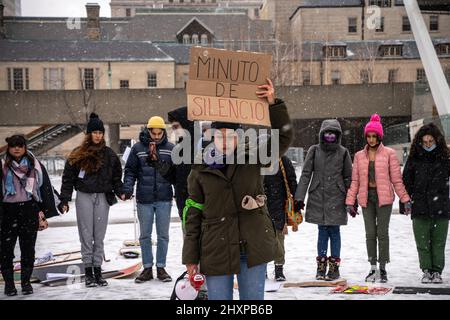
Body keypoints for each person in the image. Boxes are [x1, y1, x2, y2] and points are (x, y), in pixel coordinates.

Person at [182, 79, 293, 300]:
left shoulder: (253, 157)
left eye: (230, 135)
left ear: (238, 137)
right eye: (219, 135)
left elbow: (284, 136)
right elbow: (193, 215)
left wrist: (273, 104)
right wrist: (191, 257)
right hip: (216, 249)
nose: (224, 140)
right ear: (212, 137)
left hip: (252, 246)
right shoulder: (199, 170)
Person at [59, 113, 123, 287]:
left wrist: (121, 191)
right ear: (89, 134)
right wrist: (64, 199)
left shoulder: (109, 155)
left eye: (100, 132)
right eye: (94, 132)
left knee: (99, 236)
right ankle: (88, 271)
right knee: (86, 235)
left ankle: (97, 270)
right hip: (84, 196)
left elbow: (117, 177)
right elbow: (68, 178)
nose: (98, 135)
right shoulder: (78, 154)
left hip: (102, 196)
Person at [346, 114, 411, 283]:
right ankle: (372, 267)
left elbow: (396, 179)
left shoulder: (389, 154)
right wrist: (349, 201)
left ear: (380, 136)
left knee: (382, 233)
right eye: (369, 136)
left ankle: (383, 268)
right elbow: (355, 181)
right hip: (366, 198)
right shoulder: (359, 156)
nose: (372, 139)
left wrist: (404, 198)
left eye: (374, 136)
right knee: (370, 233)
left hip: (384, 199)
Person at [1, 134, 59, 296]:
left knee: (28, 249)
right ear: (9, 148)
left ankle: (26, 283)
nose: (17, 148)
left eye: (20, 145)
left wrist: (52, 205)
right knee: (6, 250)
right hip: (8, 211)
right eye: (13, 146)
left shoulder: (34, 164)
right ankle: (9, 285)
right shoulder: (2, 165)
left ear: (25, 147)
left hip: (28, 209)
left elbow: (44, 186)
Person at [295, 119, 352, 281]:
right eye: (327, 133)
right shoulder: (314, 150)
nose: (330, 136)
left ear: (338, 135)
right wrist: (299, 197)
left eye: (333, 133)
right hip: (318, 196)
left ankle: (334, 267)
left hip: (337, 197)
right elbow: (306, 174)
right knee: (322, 232)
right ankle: (321, 266)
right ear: (322, 134)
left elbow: (349, 177)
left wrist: (351, 199)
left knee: (334, 231)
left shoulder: (343, 152)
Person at [121, 116, 174, 283]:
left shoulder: (170, 149)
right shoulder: (138, 148)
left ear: (163, 132)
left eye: (159, 133)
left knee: (163, 235)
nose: (157, 136)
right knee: (145, 235)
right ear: (148, 131)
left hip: (164, 198)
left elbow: (176, 174)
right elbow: (130, 171)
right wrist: (127, 188)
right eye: (154, 133)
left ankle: (161, 267)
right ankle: (147, 268)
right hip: (144, 199)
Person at [402, 123, 450, 284]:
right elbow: (406, 182)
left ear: (437, 141)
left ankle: (437, 271)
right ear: (420, 142)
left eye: (431, 141)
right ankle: (426, 270)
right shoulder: (414, 159)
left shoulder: (445, 158)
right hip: (420, 207)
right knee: (422, 243)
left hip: (441, 208)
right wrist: (405, 202)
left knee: (438, 243)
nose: (428, 144)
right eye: (425, 141)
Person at [151, 106, 196, 222]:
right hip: (183, 205)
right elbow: (175, 177)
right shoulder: (179, 149)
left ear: (186, 124)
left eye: (176, 127)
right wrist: (158, 163)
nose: (174, 131)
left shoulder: (200, 146)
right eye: (173, 127)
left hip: (198, 205)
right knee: (188, 238)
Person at [263, 155, 297, 281]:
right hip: (258, 203)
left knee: (278, 237)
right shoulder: (254, 159)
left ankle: (279, 268)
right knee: (260, 238)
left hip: (279, 202)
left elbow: (291, 179)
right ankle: (262, 268)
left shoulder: (282, 159)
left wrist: (296, 198)